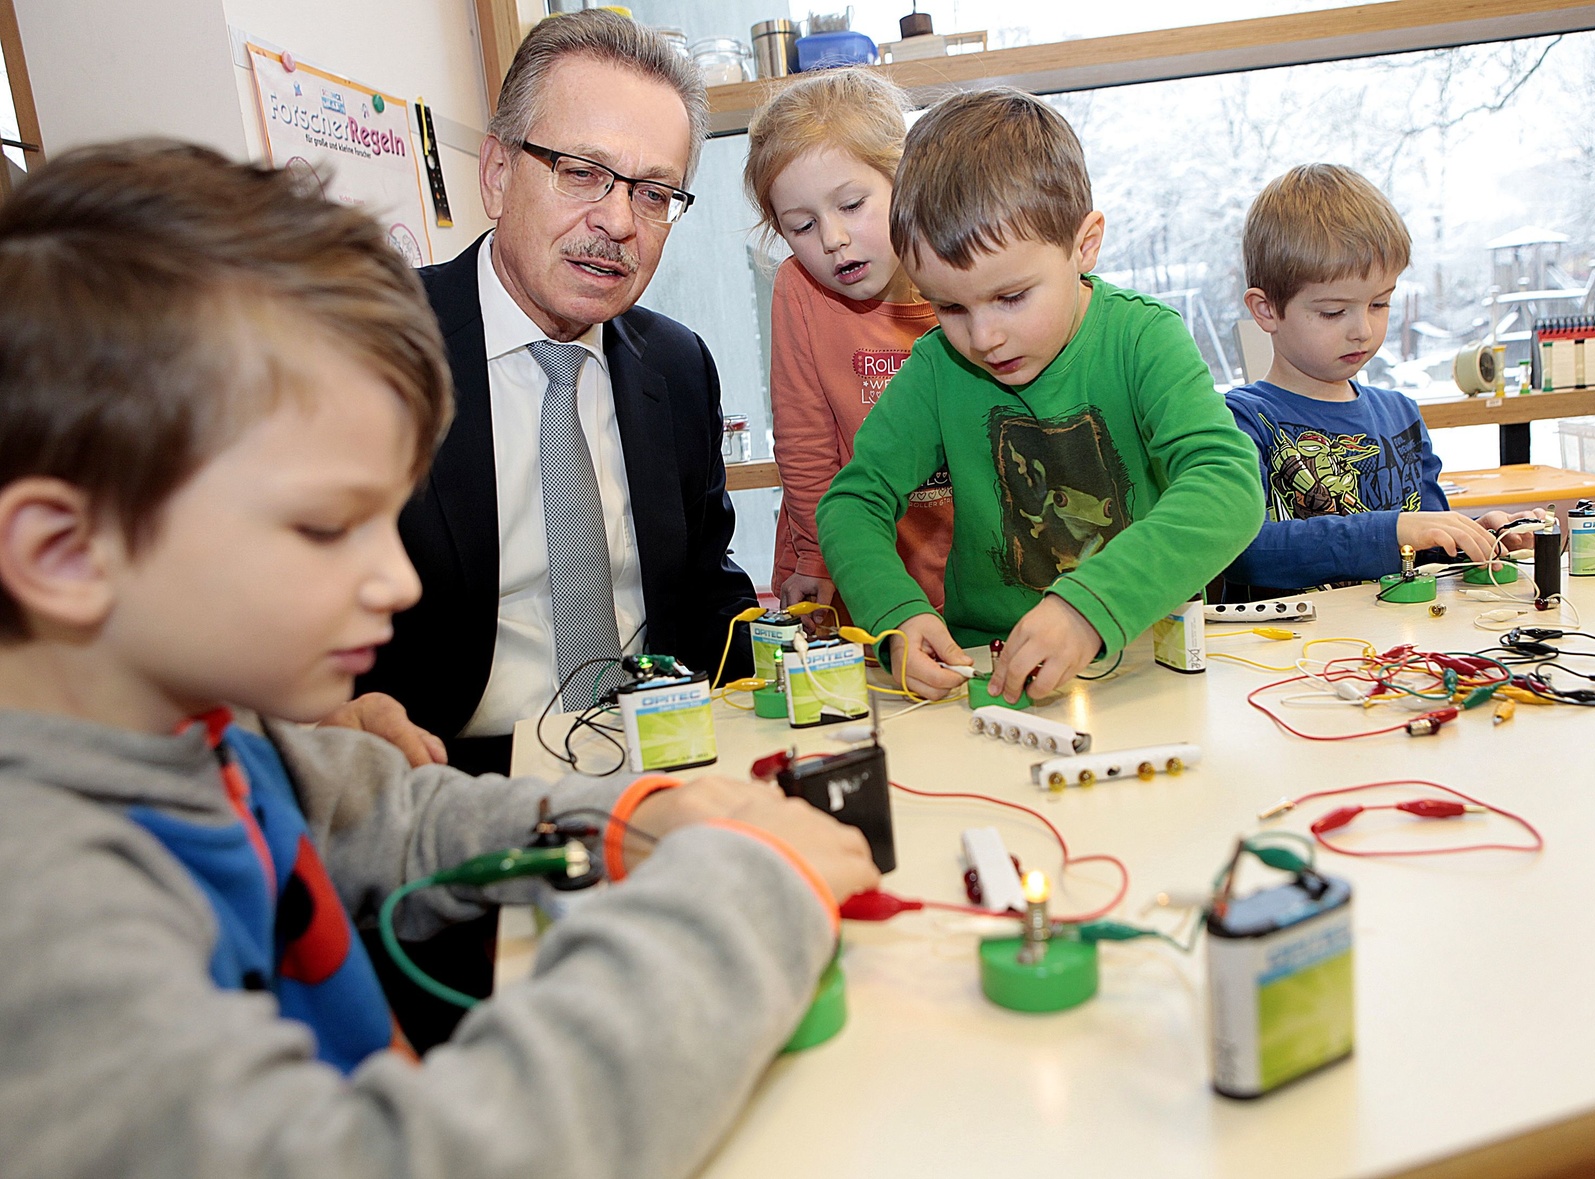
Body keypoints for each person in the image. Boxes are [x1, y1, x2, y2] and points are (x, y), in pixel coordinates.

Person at [0, 140, 879, 1179]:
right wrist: (743, 902)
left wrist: (629, 818)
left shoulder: (205, 723)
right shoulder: (41, 904)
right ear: (63, 552)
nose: (398, 580)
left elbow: (390, 815)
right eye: (328, 528)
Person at [359, 10, 757, 776]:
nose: (616, 222)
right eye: (581, 172)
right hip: (451, 781)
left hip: (665, 763)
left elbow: (708, 594)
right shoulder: (370, 348)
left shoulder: (678, 366)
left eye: (653, 193)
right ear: (498, 174)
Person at [815, 88, 1265, 703]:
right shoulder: (937, 367)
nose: (983, 337)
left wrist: (1088, 608)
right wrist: (898, 615)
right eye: (948, 306)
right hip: (986, 670)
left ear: (1084, 245)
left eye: (1011, 297)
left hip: (1150, 659)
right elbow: (851, 503)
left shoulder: (1143, 339)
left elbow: (1227, 487)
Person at [1221, 164, 1543, 598]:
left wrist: (1476, 538)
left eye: (1380, 303)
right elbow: (1245, 551)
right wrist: (1392, 531)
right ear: (1266, 310)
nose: (1363, 330)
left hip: (1400, 650)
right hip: (1295, 658)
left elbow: (1426, 553)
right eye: (1334, 312)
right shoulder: (1242, 420)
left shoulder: (1400, 415)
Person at [744, 68, 951, 620]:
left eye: (852, 205)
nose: (832, 239)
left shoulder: (959, 279)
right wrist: (817, 556)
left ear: (904, 181)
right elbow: (804, 441)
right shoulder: (799, 289)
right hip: (835, 559)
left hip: (959, 560)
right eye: (801, 226)